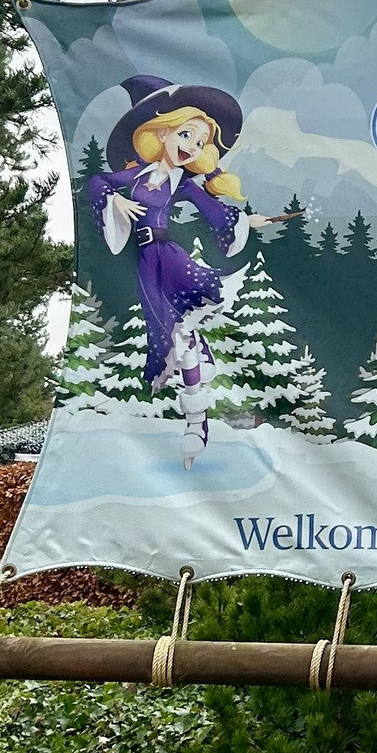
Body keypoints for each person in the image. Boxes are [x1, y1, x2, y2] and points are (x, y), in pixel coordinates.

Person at [88, 75, 278, 465]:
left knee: (181, 330)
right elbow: (98, 182)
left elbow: (216, 211)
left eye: (201, 143)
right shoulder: (136, 175)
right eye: (187, 135)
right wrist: (114, 202)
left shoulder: (182, 184)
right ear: (163, 131)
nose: (192, 147)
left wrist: (246, 221)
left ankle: (196, 423)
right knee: (170, 335)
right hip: (146, 263)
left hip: (169, 257)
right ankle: (195, 415)